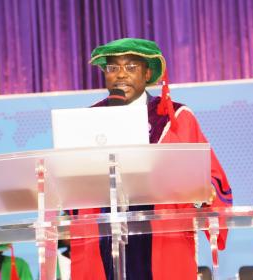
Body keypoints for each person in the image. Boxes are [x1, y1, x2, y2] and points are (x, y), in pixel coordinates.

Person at [69, 38, 233, 279]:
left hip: (163, 240)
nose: (121, 75)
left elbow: (210, 177)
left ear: (147, 73)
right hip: (105, 239)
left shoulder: (174, 117)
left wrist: (201, 193)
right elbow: (72, 183)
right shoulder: (89, 119)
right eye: (113, 68)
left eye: (131, 67)